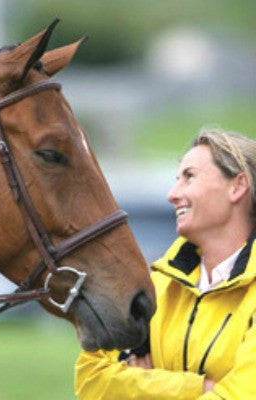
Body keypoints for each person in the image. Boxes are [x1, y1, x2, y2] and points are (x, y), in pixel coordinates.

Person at [75, 128, 256, 399]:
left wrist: (142, 382)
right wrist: (198, 388)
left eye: (189, 177)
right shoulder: (154, 285)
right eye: (176, 179)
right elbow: (90, 379)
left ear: (237, 186)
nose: (172, 194)